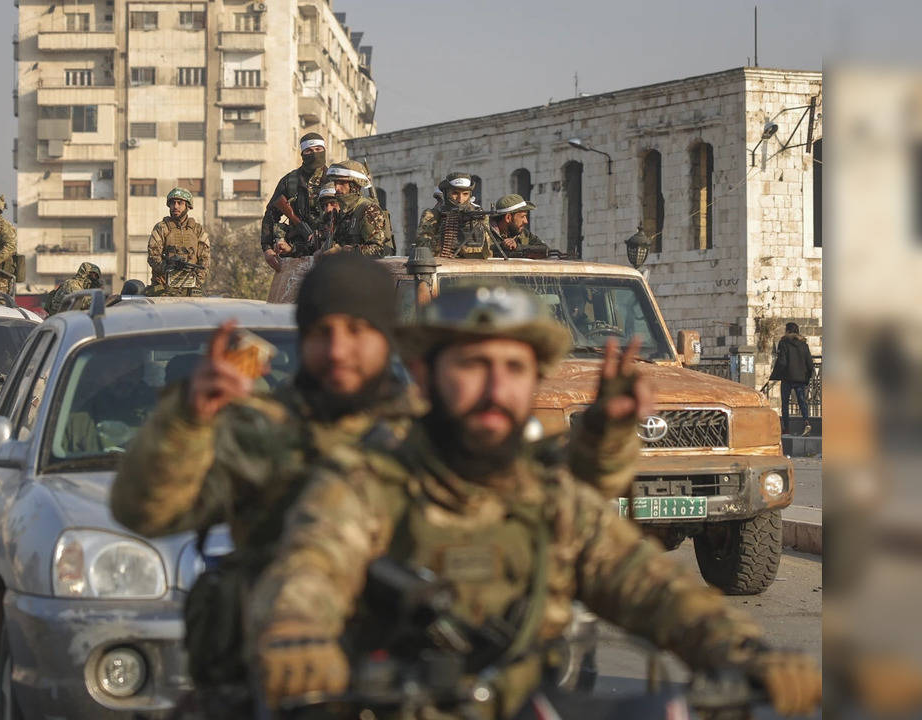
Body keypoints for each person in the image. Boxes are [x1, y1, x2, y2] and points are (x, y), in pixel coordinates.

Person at [248, 285, 822, 718]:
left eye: (515, 369)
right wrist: (298, 637)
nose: (497, 390)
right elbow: (311, 566)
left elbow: (648, 584)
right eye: (474, 366)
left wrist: (743, 653)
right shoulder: (366, 484)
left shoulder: (551, 499)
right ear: (423, 374)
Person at [111, 254, 423, 716]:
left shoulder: (431, 435)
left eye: (357, 331)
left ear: (387, 336)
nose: (338, 350)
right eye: (322, 332)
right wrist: (188, 422)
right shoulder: (262, 432)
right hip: (273, 686)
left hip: (412, 685)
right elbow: (144, 511)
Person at [261, 132, 329, 269]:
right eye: (309, 150)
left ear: (324, 151)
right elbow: (270, 215)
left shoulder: (335, 179)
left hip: (330, 254)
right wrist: (267, 248)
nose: (314, 153)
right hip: (295, 255)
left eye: (318, 149)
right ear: (302, 154)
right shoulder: (290, 181)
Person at [416, 172, 498, 258]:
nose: (460, 199)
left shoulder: (478, 215)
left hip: (473, 265)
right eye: (455, 193)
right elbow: (422, 247)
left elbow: (487, 250)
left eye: (465, 194)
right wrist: (445, 239)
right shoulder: (432, 215)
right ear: (446, 193)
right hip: (443, 265)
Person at [320, 161, 391, 257]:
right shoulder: (341, 213)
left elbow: (378, 250)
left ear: (354, 186)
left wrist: (343, 252)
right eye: (336, 183)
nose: (336, 188)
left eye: (342, 183)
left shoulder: (368, 210)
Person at [147, 187, 210, 296]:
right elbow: (153, 256)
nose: (175, 206)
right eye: (172, 203)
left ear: (187, 206)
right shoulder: (161, 228)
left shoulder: (197, 230)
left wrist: (197, 280)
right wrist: (168, 267)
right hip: (164, 288)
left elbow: (205, 260)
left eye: (180, 203)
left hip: (191, 288)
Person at [768, 322, 815, 436]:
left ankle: (786, 428)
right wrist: (808, 376)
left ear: (787, 331)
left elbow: (782, 362)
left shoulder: (784, 342)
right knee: (802, 401)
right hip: (801, 378)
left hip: (787, 378)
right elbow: (809, 362)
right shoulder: (804, 344)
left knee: (785, 403)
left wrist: (775, 375)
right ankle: (806, 423)